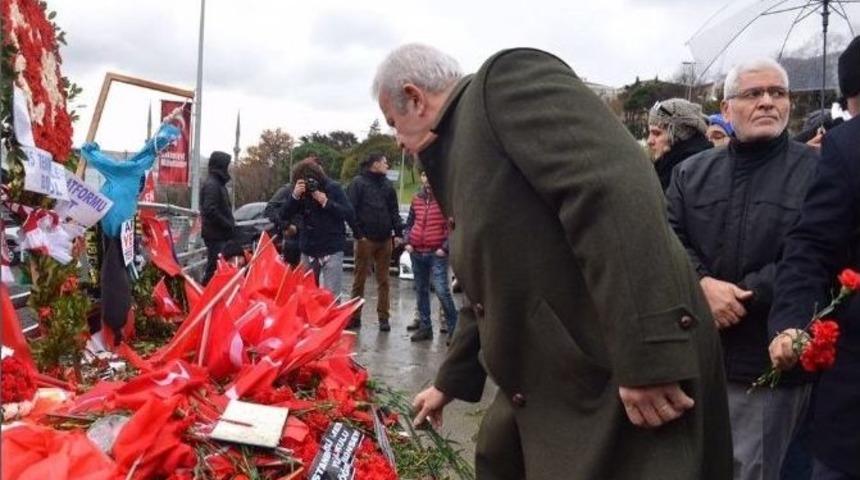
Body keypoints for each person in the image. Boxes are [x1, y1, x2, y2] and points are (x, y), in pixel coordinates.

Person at [373, 44, 731, 479]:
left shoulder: (503, 83)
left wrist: (649, 357)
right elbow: (485, 291)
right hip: (554, 385)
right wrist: (449, 381)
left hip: (611, 376)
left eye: (393, 123)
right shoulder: (460, 149)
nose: (396, 139)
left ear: (414, 98)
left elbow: (613, 187)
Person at [666, 58, 819, 480]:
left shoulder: (818, 172)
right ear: (726, 108)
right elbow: (667, 238)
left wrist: (743, 295)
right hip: (697, 359)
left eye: (778, 93)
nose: (767, 101)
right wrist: (701, 285)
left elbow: (815, 254)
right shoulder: (690, 173)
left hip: (766, 363)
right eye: (753, 93)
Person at [769, 35, 860, 480]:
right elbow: (811, 247)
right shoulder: (849, 147)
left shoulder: (846, 144)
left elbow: (809, 247)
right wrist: (793, 321)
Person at [279, 158, 354, 297]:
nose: (309, 184)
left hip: (331, 248)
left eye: (311, 181)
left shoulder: (333, 188)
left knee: (331, 296)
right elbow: (284, 215)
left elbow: (348, 213)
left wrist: (326, 202)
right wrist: (295, 196)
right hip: (308, 248)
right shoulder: (300, 192)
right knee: (305, 294)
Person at [347, 152, 403, 331]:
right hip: (365, 239)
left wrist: (398, 232)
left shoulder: (388, 185)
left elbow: (393, 210)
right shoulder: (358, 183)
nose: (387, 165)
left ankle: (384, 318)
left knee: (384, 281)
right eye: (385, 162)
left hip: (385, 239)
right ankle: (355, 316)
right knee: (359, 280)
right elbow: (350, 210)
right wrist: (359, 234)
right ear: (375, 164)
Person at [404, 171, 458, 343]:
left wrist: (445, 248)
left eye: (430, 177)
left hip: (437, 254)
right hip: (417, 252)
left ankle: (454, 330)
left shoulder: (445, 201)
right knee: (421, 291)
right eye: (425, 177)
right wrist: (407, 241)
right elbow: (409, 223)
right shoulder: (416, 199)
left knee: (442, 291)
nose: (427, 181)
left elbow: (453, 227)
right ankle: (425, 327)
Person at [646, 97, 712, 190]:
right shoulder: (668, 167)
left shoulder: (689, 174)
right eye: (649, 133)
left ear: (679, 135)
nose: (649, 141)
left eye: (657, 133)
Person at [200, 151, 236, 285]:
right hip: (216, 235)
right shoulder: (213, 185)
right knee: (214, 268)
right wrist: (227, 223)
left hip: (218, 234)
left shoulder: (217, 184)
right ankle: (205, 291)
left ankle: (208, 291)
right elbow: (210, 209)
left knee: (216, 267)